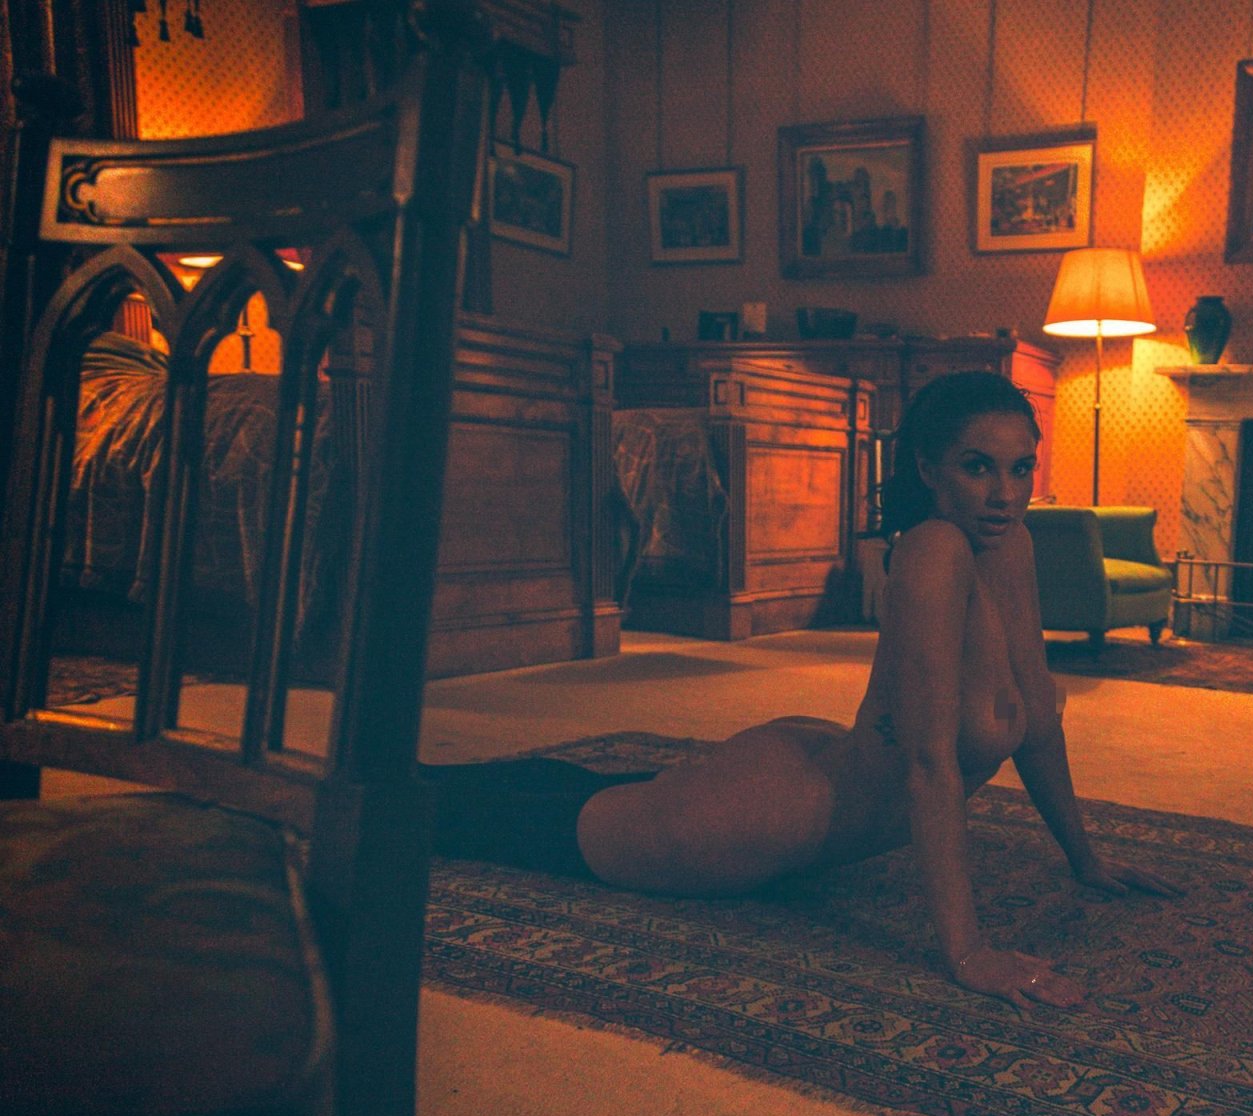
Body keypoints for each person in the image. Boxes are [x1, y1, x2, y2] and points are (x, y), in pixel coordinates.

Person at [429, 371, 1180, 1010]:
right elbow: (928, 764)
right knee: (501, 822)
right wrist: (969, 953)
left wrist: (1084, 857)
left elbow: (1038, 718)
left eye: (1021, 469)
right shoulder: (933, 553)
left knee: (586, 796)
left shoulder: (1011, 544)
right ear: (928, 468)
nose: (1004, 494)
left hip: (810, 764)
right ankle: (376, 792)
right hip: (769, 816)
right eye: (978, 467)